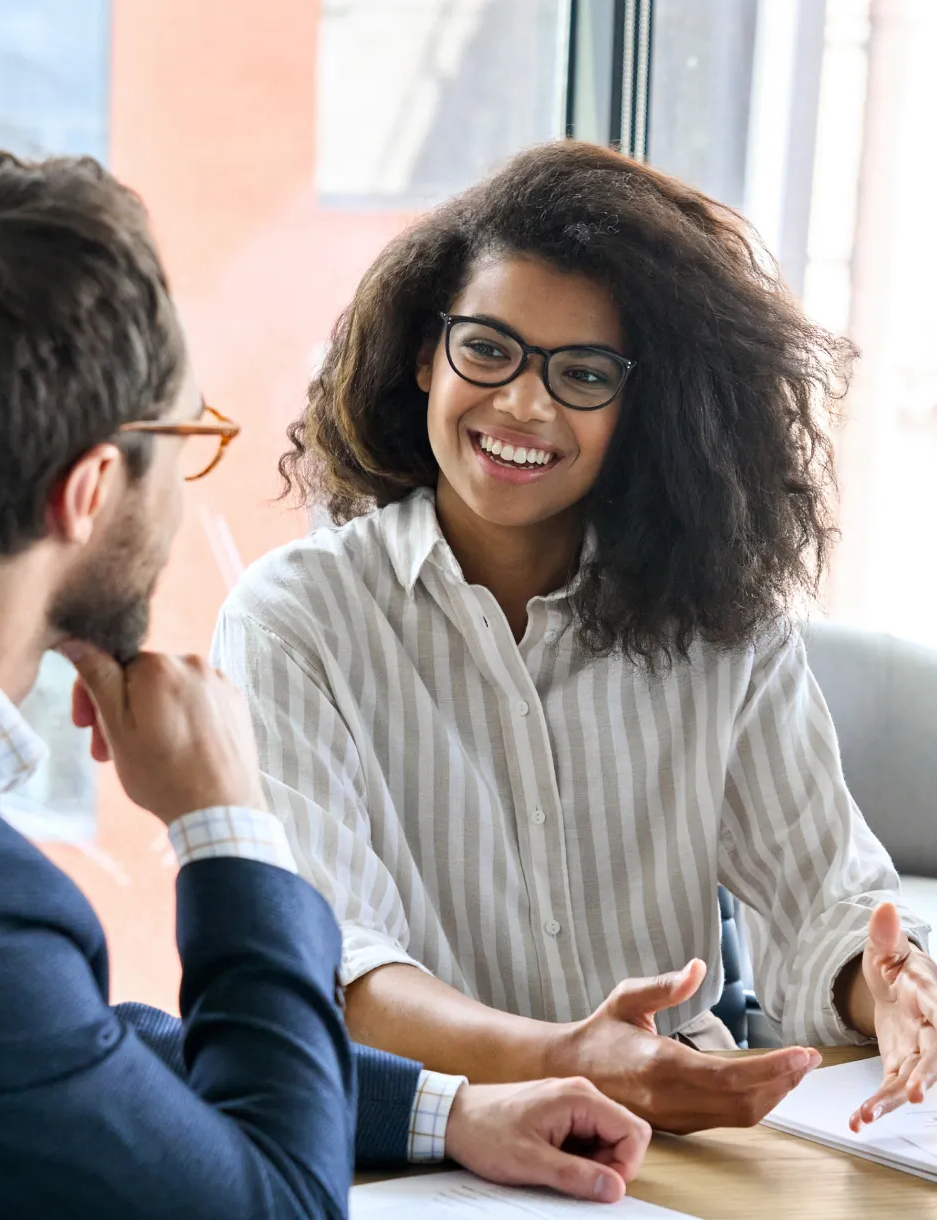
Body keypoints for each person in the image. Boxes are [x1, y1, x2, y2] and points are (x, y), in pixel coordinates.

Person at [0, 149, 652, 1218]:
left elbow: (58, 1059)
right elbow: (278, 1206)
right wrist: (226, 824)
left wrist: (447, 1111)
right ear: (87, 491)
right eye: (182, 440)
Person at [212, 140, 937, 1137]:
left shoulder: (723, 621)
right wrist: (568, 1059)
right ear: (427, 353)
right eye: (488, 348)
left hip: (680, 1152)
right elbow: (340, 967)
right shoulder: (295, 619)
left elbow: (826, 905)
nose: (523, 402)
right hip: (428, 1155)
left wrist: (891, 989)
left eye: (584, 372)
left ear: (645, 408)